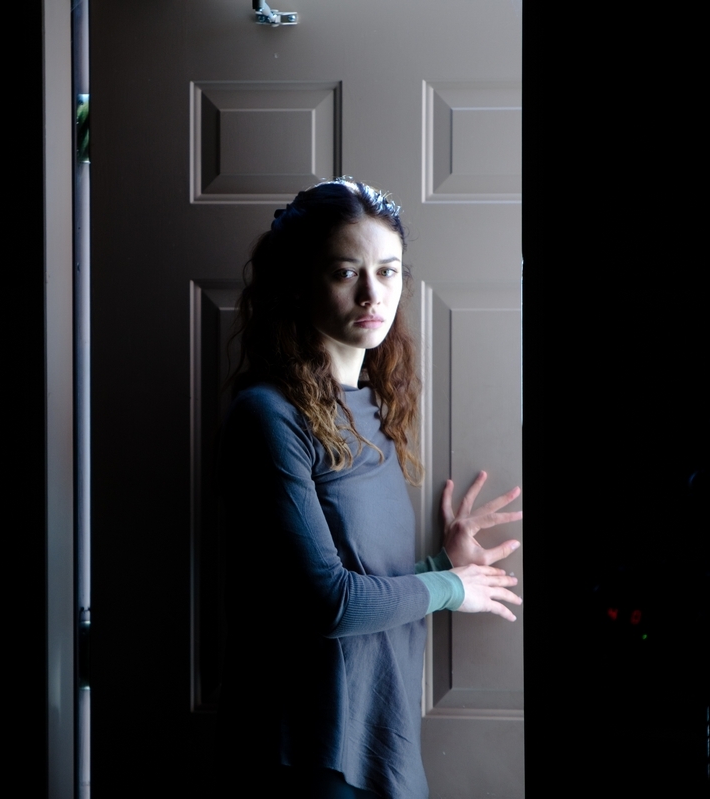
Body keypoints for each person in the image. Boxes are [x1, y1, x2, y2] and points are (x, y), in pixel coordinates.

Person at [215, 178, 523, 799]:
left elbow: (362, 581)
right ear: (299, 283)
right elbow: (328, 603)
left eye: (388, 272)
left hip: (381, 734)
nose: (371, 294)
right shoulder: (269, 415)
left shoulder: (373, 409)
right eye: (345, 272)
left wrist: (441, 567)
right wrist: (449, 588)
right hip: (311, 751)